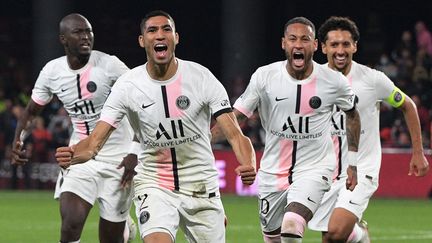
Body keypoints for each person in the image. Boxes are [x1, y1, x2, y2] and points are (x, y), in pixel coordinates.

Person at [55, 10, 256, 243]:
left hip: (201, 185)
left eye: (166, 29)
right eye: (152, 30)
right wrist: (73, 153)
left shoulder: (202, 78)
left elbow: (235, 134)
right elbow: (94, 143)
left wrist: (248, 163)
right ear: (142, 41)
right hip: (154, 184)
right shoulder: (127, 86)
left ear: (176, 38)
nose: (160, 35)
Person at [212, 16, 361, 243]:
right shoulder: (265, 76)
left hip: (315, 168)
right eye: (293, 39)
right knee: (273, 237)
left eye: (305, 39)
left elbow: (352, 114)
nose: (298, 44)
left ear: (314, 45)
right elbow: (237, 116)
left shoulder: (334, 82)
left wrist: (352, 161)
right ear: (284, 43)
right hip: (272, 172)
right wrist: (201, 138)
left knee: (291, 225)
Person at [11, 13, 138, 243]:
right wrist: (18, 139)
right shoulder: (52, 71)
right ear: (63, 39)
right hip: (79, 155)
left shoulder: (109, 64)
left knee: (111, 239)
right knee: (70, 224)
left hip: (118, 156)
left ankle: (123, 226)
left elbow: (143, 103)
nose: (86, 37)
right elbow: (30, 112)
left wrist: (134, 151)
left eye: (89, 31)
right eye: (78, 32)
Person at [308, 16, 430, 243]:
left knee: (335, 233)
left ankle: (360, 233)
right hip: (326, 171)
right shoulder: (312, 80)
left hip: (362, 168)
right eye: (334, 44)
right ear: (323, 47)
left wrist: (418, 152)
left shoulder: (373, 80)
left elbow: (408, 105)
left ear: (355, 45)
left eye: (346, 44)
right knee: (330, 237)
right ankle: (359, 236)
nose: (340, 50)